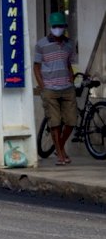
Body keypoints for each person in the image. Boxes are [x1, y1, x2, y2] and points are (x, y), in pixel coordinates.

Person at [33, 11, 76, 165]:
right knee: (55, 122)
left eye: (61, 26)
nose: (58, 29)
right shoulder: (41, 45)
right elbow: (36, 67)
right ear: (51, 27)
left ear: (64, 27)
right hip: (50, 89)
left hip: (67, 88)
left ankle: (60, 147)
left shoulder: (69, 44)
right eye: (55, 26)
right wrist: (42, 86)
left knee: (71, 121)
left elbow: (68, 63)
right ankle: (60, 154)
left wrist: (71, 77)